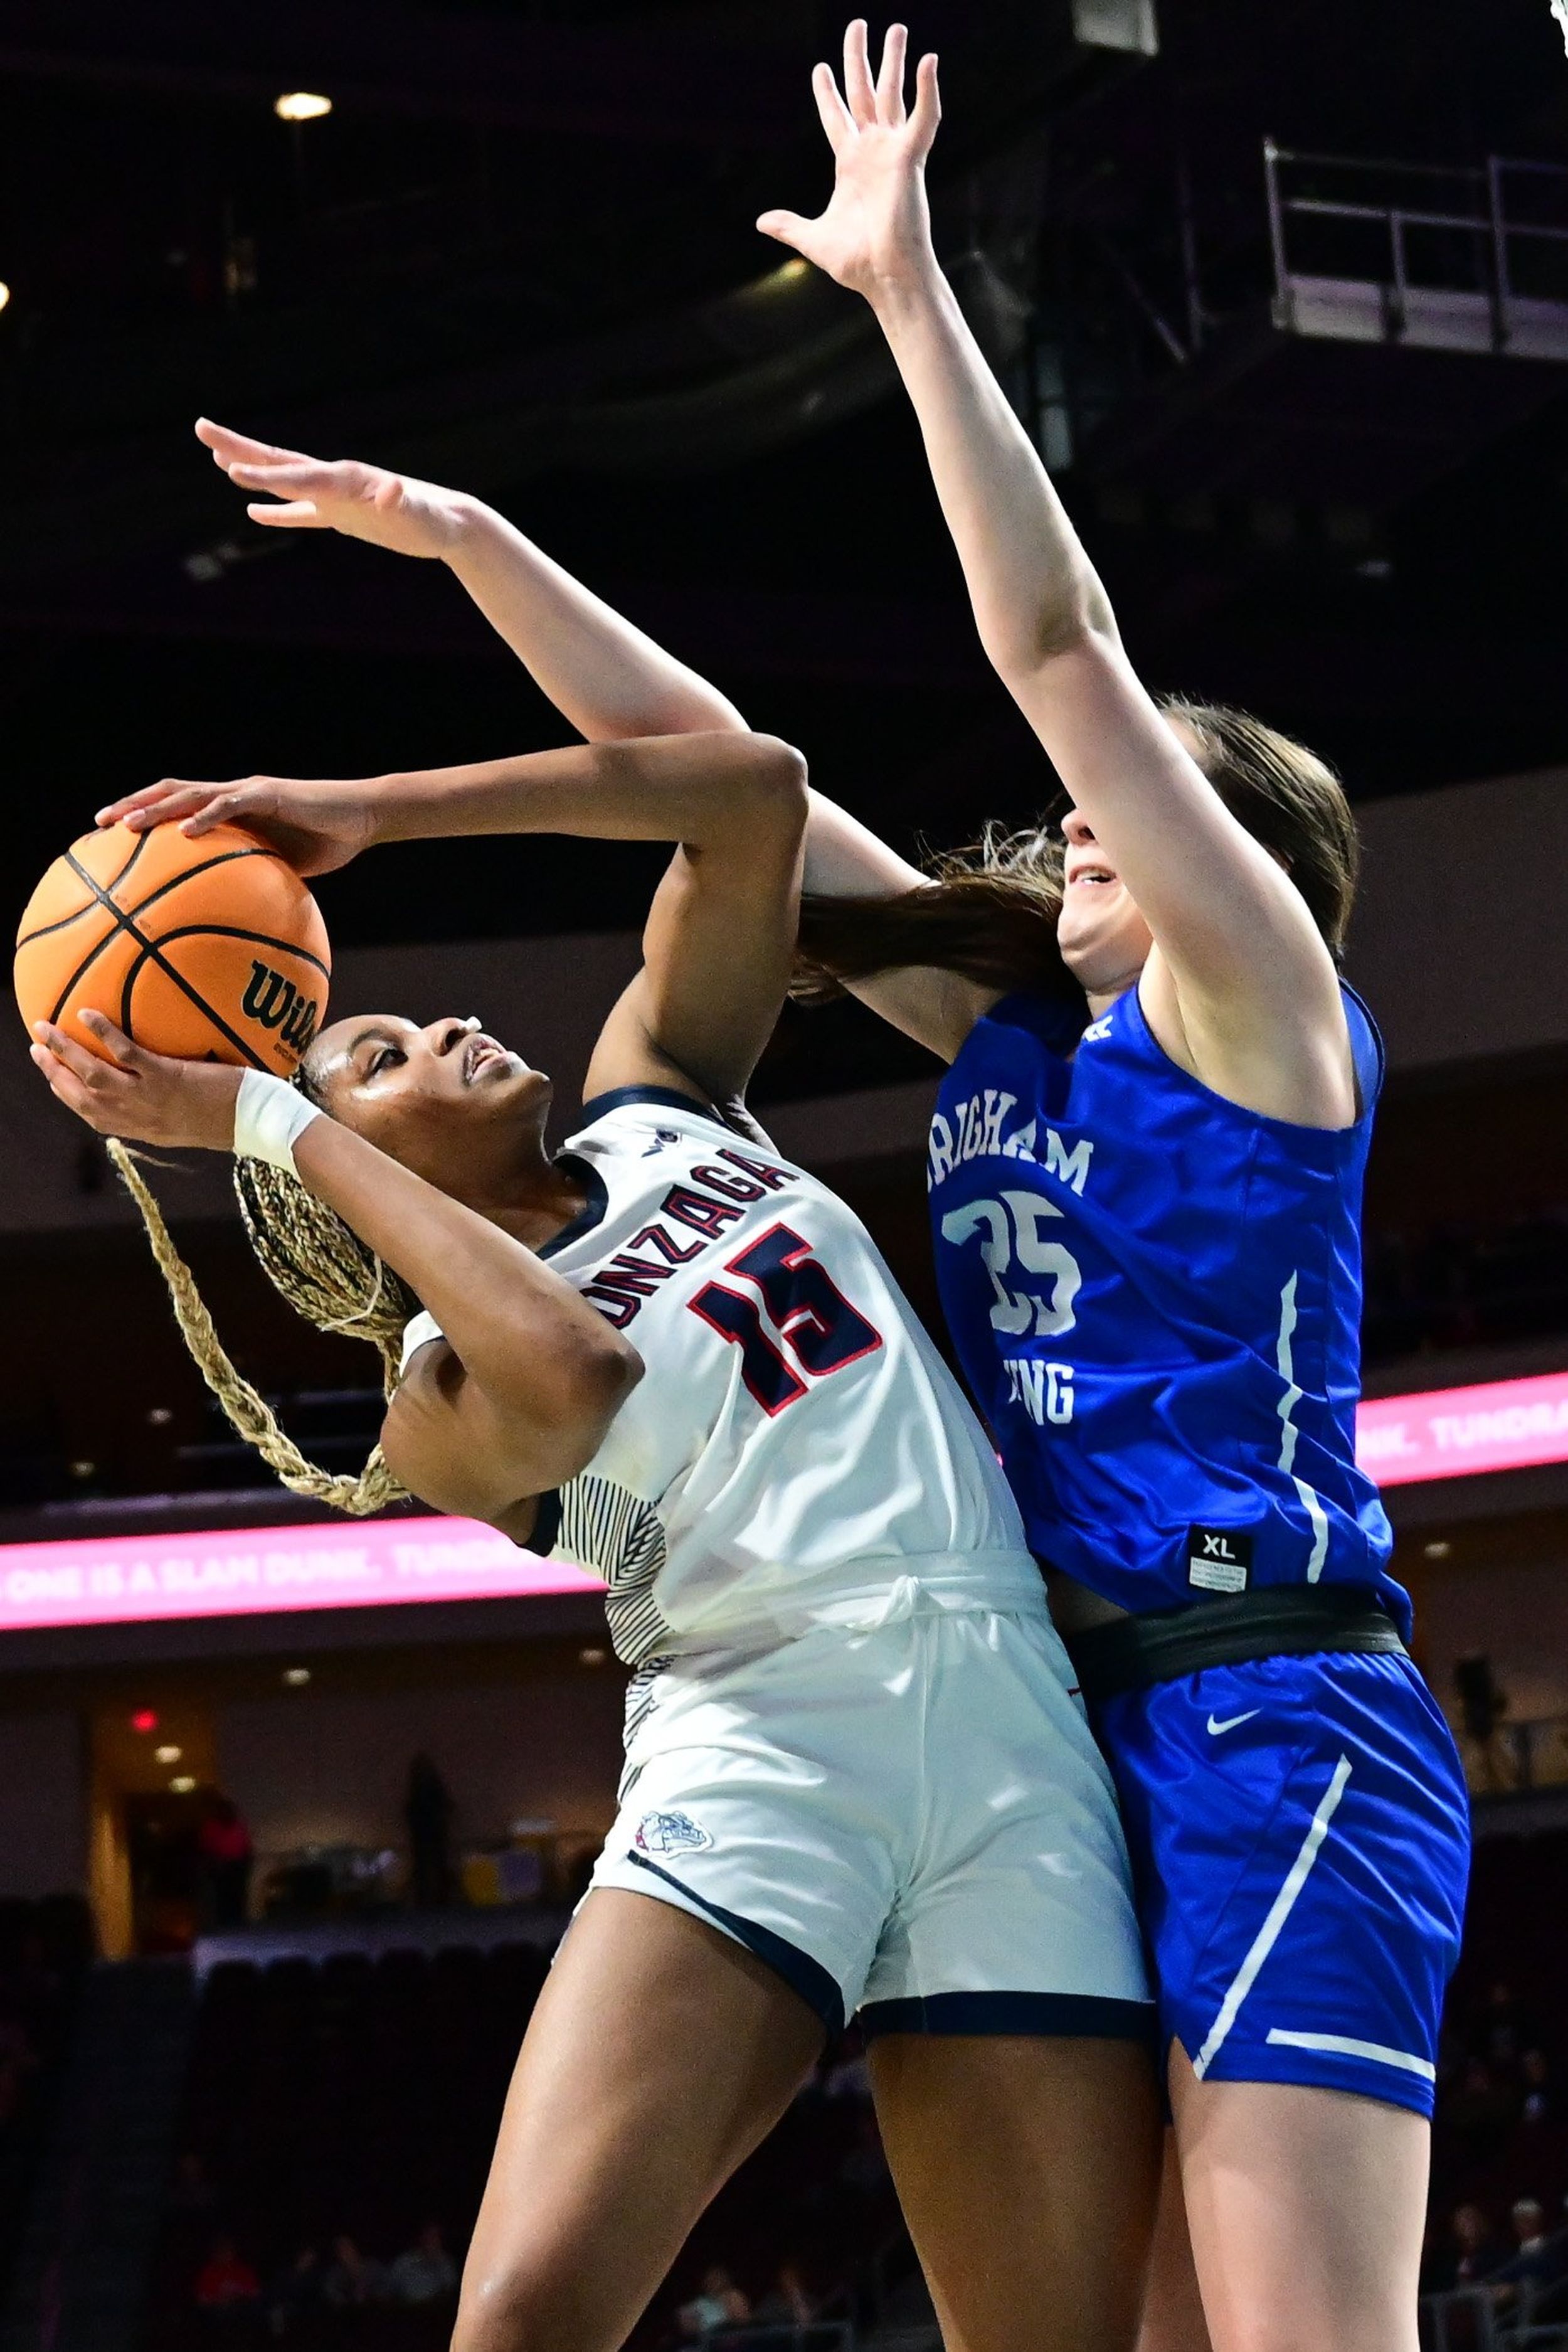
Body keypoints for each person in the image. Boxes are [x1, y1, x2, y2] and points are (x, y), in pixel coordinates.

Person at [37, 612, 1158, 2349]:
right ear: (335, 1169)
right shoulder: (431, 1395)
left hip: (1014, 1716)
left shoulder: (659, 1097)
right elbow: (582, 1368)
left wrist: (371, 812)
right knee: (532, 2317)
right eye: (381, 1052)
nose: (445, 1026)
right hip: (766, 1743)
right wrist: (263, 1117)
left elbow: (750, 793)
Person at [746, 25, 1476, 2352]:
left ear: (1238, 860)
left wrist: (904, 291)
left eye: (1135, 805)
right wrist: (469, 541)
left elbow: (1058, 649)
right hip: (1079, 1746)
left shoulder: (1264, 1015)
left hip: (1277, 1719)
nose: (1076, 817)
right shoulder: (1011, 1055)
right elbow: (741, 809)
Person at [403, 1753, 456, 1909]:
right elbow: (447, 1806)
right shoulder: (431, 1788)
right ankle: (438, 1898)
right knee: (435, 1866)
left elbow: (411, 1811)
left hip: (424, 1834)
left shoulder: (417, 1789)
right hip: (433, 1832)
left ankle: (427, 1899)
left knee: (427, 1867)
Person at [386, 2222, 459, 2307]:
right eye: (429, 2236)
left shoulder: (446, 2264)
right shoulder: (405, 2262)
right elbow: (390, 2290)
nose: (432, 2241)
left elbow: (451, 2290)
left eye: (435, 2237)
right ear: (421, 2238)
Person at [678, 2265, 750, 2341]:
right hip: (707, 2341)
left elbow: (744, 2322)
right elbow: (685, 2321)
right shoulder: (701, 2302)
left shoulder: (733, 2296)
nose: (711, 2283)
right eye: (708, 2280)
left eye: (715, 2279)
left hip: (733, 2338)